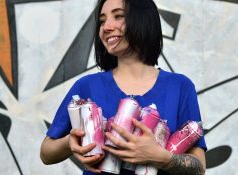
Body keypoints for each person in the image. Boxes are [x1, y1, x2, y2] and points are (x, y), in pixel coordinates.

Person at [40, 0, 207, 174]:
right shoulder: (86, 86)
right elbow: (46, 153)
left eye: (118, 16)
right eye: (102, 21)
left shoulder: (179, 86)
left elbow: (199, 168)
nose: (106, 27)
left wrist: (161, 158)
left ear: (143, 20)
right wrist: (69, 143)